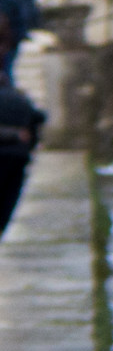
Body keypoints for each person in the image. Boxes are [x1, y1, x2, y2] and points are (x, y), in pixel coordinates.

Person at [0, 72, 42, 239]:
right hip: (19, 156)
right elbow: (39, 117)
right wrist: (28, 144)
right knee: (10, 196)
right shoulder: (21, 98)